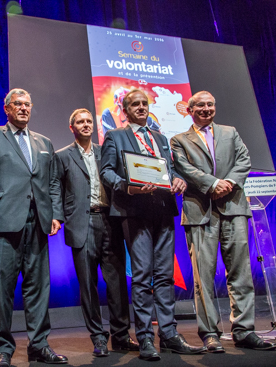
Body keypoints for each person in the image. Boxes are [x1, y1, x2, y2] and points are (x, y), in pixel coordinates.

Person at [100, 89, 205, 361]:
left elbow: (169, 170)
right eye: (135, 104)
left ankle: (169, 335)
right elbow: (107, 171)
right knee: (143, 275)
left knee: (165, 276)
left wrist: (179, 179)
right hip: (134, 211)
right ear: (125, 110)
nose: (141, 107)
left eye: (145, 103)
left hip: (163, 210)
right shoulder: (115, 136)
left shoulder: (159, 137)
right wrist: (128, 186)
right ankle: (146, 336)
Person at [170, 91, 276, 352]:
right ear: (190, 109)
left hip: (233, 207)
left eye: (210, 104)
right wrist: (213, 184)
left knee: (240, 274)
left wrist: (228, 183)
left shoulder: (230, 132)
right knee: (203, 278)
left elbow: (244, 161)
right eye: (201, 105)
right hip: (200, 212)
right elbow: (184, 169)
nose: (206, 109)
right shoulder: (178, 140)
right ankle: (210, 333)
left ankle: (244, 330)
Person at [0, 89, 67, 367]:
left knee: (38, 288)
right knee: (3, 289)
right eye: (17, 104)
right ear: (6, 108)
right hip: (5, 221)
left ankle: (39, 345)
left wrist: (56, 213)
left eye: (27, 105)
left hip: (39, 223)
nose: (23, 109)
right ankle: (3, 350)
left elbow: (53, 182)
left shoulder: (43, 141)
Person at [55, 108, 139, 357]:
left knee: (117, 284)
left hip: (109, 221)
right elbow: (56, 190)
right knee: (88, 286)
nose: (85, 125)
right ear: (72, 127)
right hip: (82, 223)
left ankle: (121, 335)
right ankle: (98, 337)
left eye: (89, 121)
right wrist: (58, 218)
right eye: (80, 122)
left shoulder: (106, 152)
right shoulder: (62, 156)